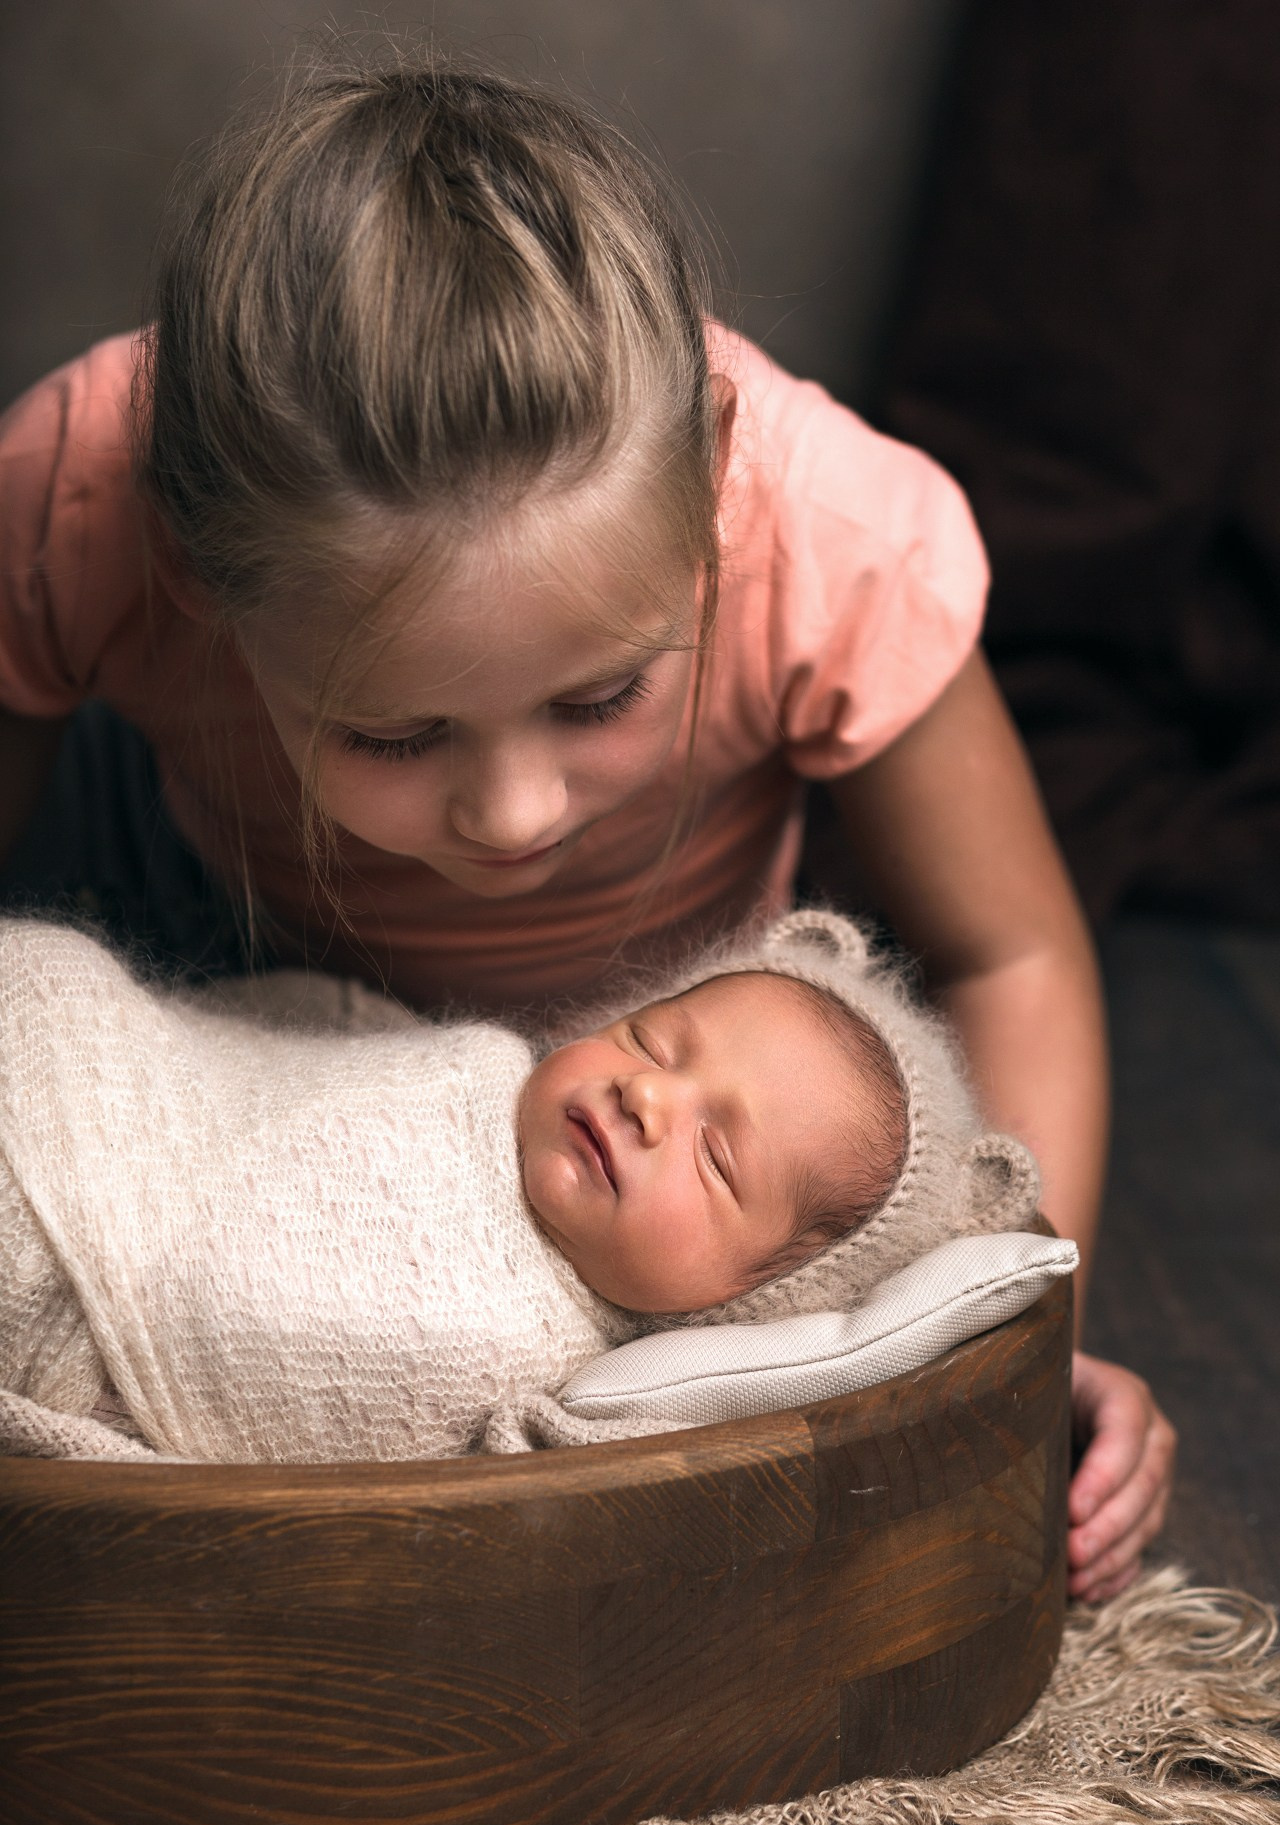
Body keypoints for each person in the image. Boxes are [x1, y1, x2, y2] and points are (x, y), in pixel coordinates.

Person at [0, 55, 1171, 1591]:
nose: (512, 812)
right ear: (203, 582)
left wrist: (1019, 1341)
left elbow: (1008, 949)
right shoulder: (81, 496)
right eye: (397, 731)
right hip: (228, 947)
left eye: (602, 695)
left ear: (711, 510)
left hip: (685, 1099)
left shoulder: (826, 532)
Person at [0, 908, 1037, 1464]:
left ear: (748, 1301)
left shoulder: (560, 1385)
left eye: (715, 1159)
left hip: (66, 1289)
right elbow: (259, 1077)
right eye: (651, 1039)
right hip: (89, 1084)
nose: (645, 1097)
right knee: (47, 983)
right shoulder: (478, 1072)